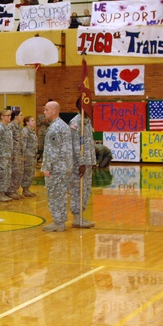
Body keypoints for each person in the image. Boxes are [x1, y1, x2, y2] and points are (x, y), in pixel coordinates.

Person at [41, 101, 71, 232]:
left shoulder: (54, 128)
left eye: (46, 110)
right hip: (64, 166)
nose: (44, 112)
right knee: (61, 194)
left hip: (56, 168)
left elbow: (52, 151)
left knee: (54, 194)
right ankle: (60, 221)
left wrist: (47, 167)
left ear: (54, 111)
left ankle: (58, 222)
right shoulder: (64, 125)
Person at [69, 98, 95, 228]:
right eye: (89, 104)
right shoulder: (76, 122)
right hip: (80, 164)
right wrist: (81, 162)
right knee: (77, 189)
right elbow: (74, 144)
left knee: (85, 190)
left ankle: (81, 215)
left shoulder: (87, 121)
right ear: (81, 106)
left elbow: (88, 143)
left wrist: (91, 161)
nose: (92, 107)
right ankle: (76, 217)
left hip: (88, 162)